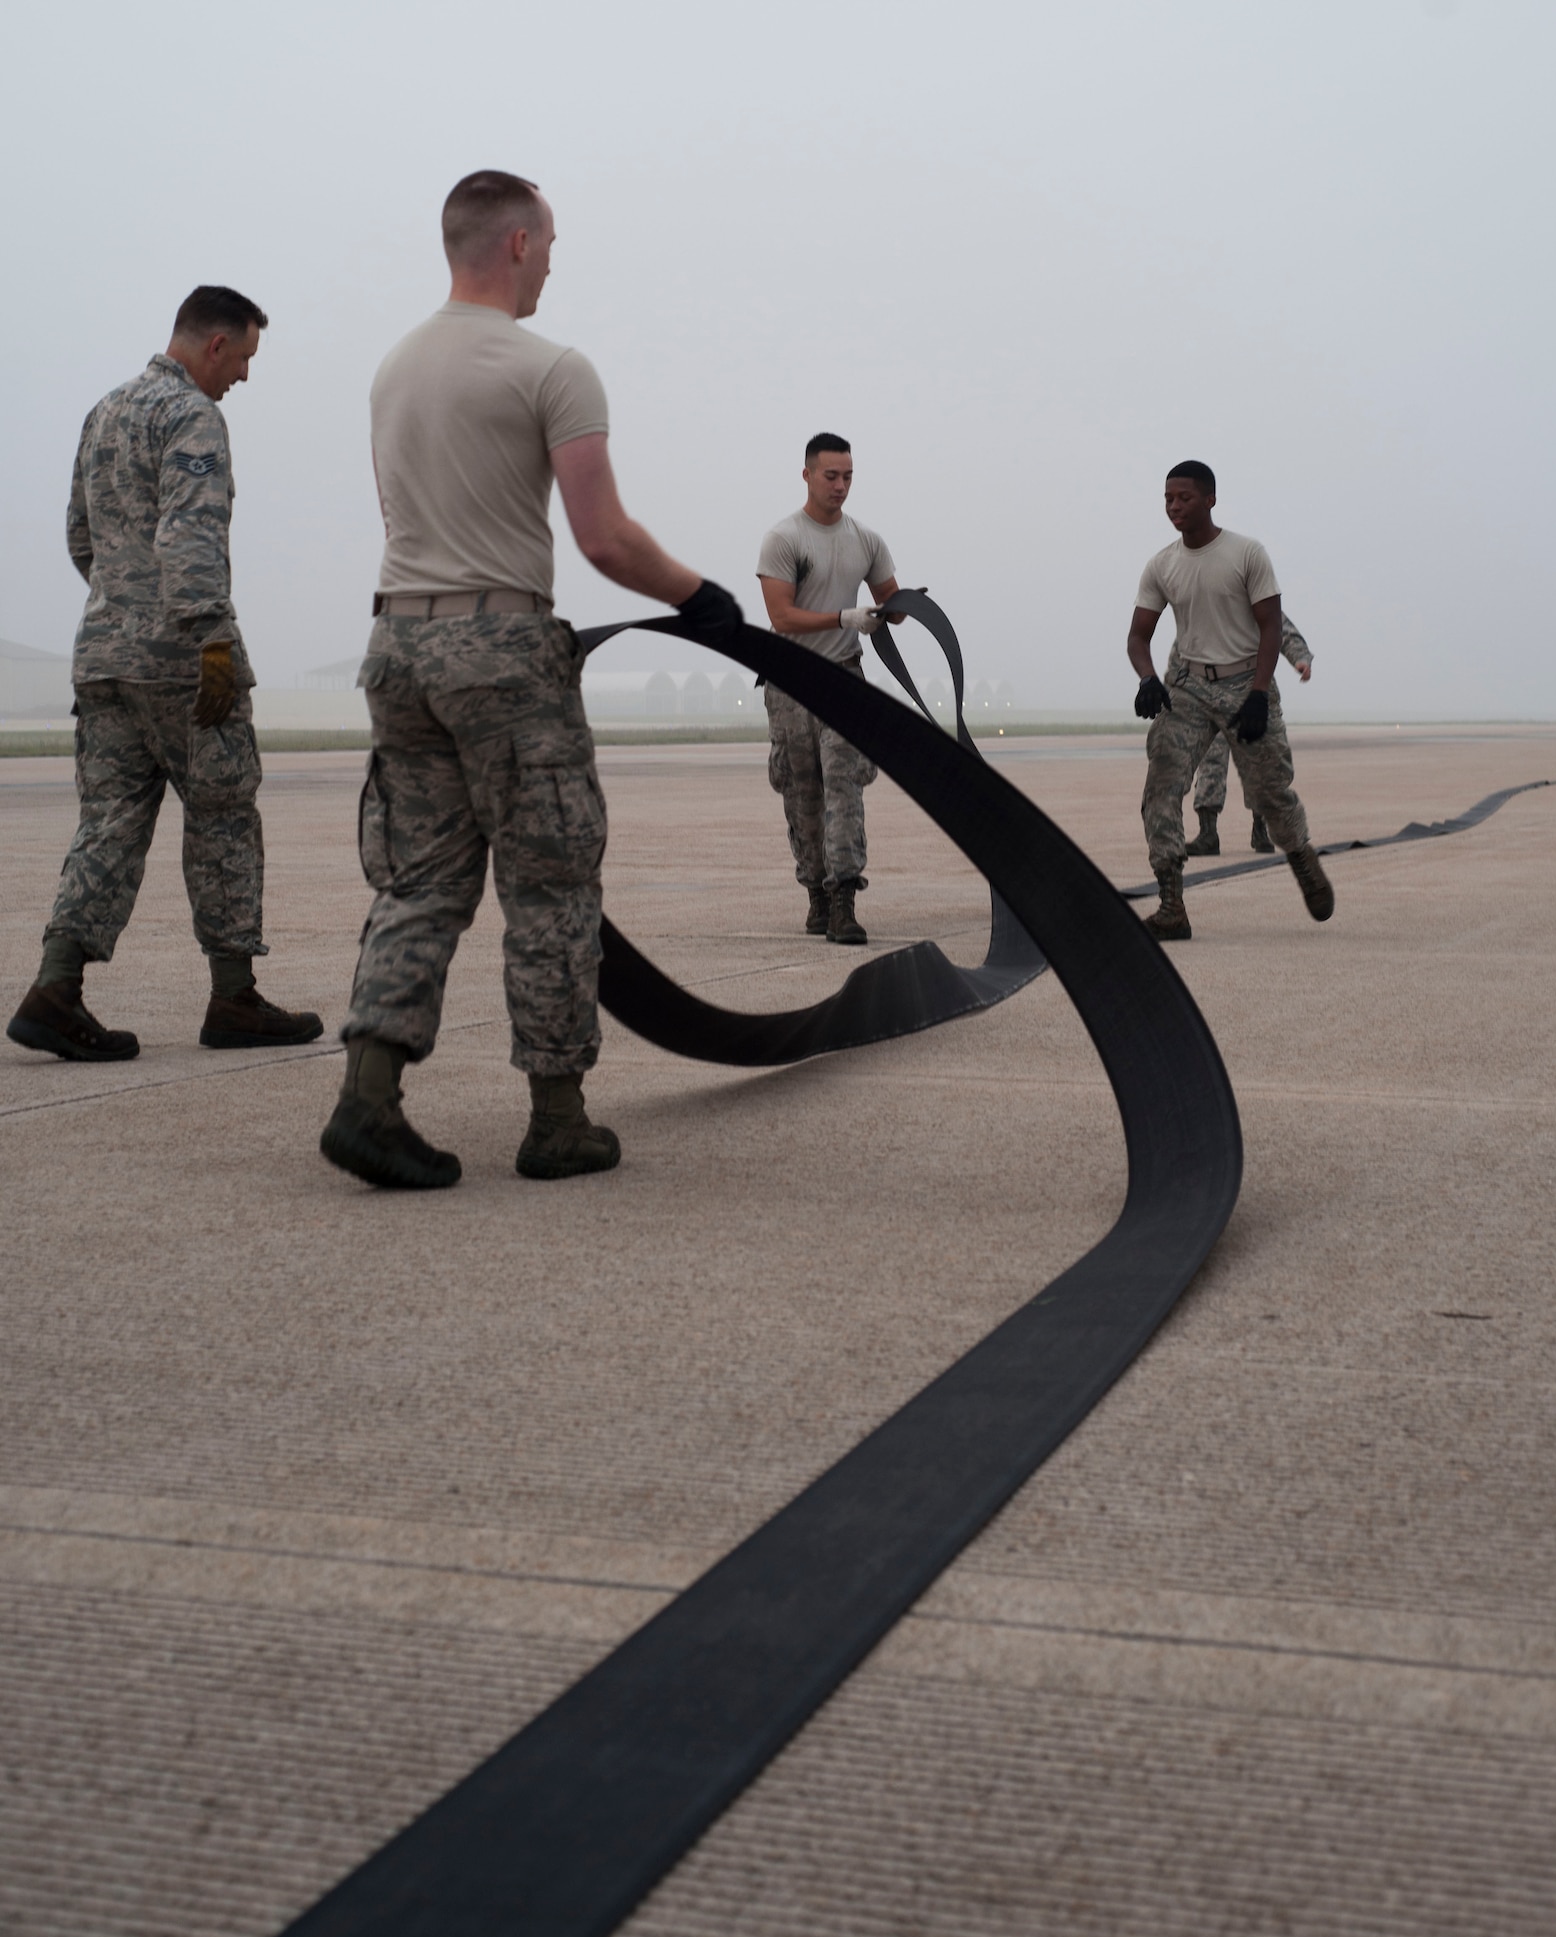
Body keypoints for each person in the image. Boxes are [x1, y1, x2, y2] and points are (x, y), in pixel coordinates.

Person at [319, 170, 740, 1192]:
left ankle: (368, 1097)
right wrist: (700, 596)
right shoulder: (552, 366)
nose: (554, 257)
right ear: (514, 242)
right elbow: (603, 539)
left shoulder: (394, 368)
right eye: (549, 241)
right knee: (550, 884)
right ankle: (557, 1119)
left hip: (397, 646)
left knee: (418, 881)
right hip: (502, 651)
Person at [5, 287, 323, 1062]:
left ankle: (56, 987)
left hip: (104, 656)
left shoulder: (106, 412)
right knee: (221, 816)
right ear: (215, 345)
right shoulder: (190, 417)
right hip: (183, 660)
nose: (243, 377)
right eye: (244, 358)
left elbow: (81, 537)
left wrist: (122, 599)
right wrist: (210, 635)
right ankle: (234, 997)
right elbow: (191, 532)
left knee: (109, 822)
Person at [1126, 460, 1333, 941]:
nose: (1174, 507)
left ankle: (1302, 857)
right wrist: (1147, 679)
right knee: (1161, 789)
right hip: (1188, 688)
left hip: (1245, 684)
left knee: (1270, 794)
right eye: (1168, 498)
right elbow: (1138, 636)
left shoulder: (1246, 554)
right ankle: (1171, 906)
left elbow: (1270, 625)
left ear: (1210, 499)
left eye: (1184, 498)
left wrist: (1260, 693)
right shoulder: (1162, 565)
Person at [756, 433, 904, 945]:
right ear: (807, 475)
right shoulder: (785, 539)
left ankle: (843, 897)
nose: (840, 486)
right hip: (792, 681)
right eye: (831, 476)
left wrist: (899, 607)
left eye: (848, 477)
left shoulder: (866, 540)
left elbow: (890, 598)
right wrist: (844, 614)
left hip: (844, 678)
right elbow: (781, 616)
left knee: (845, 789)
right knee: (803, 794)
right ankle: (815, 895)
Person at [1183, 612, 1314, 856]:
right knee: (1211, 761)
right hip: (1213, 693)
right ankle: (1208, 832)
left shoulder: (1254, 596)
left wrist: (1300, 659)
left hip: (1251, 690)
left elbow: (1281, 628)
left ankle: (1260, 829)